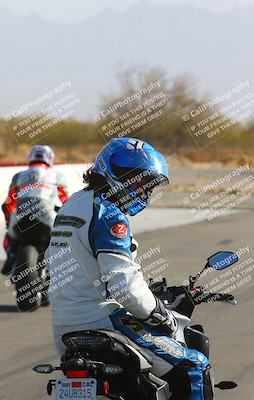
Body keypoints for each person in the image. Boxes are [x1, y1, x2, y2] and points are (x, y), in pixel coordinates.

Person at [47, 138, 208, 399]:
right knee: (194, 365)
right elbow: (125, 287)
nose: (142, 189)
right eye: (137, 180)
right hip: (102, 322)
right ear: (113, 172)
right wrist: (160, 315)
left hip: (63, 327)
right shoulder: (108, 214)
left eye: (147, 184)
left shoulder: (73, 204)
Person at [1, 144, 69, 276]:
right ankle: (59, 270)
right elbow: (67, 201)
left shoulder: (18, 176)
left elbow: (8, 204)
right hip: (47, 217)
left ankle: (11, 258)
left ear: (30, 158)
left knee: (10, 237)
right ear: (50, 158)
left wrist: (9, 223)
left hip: (19, 218)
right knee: (64, 239)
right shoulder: (57, 175)